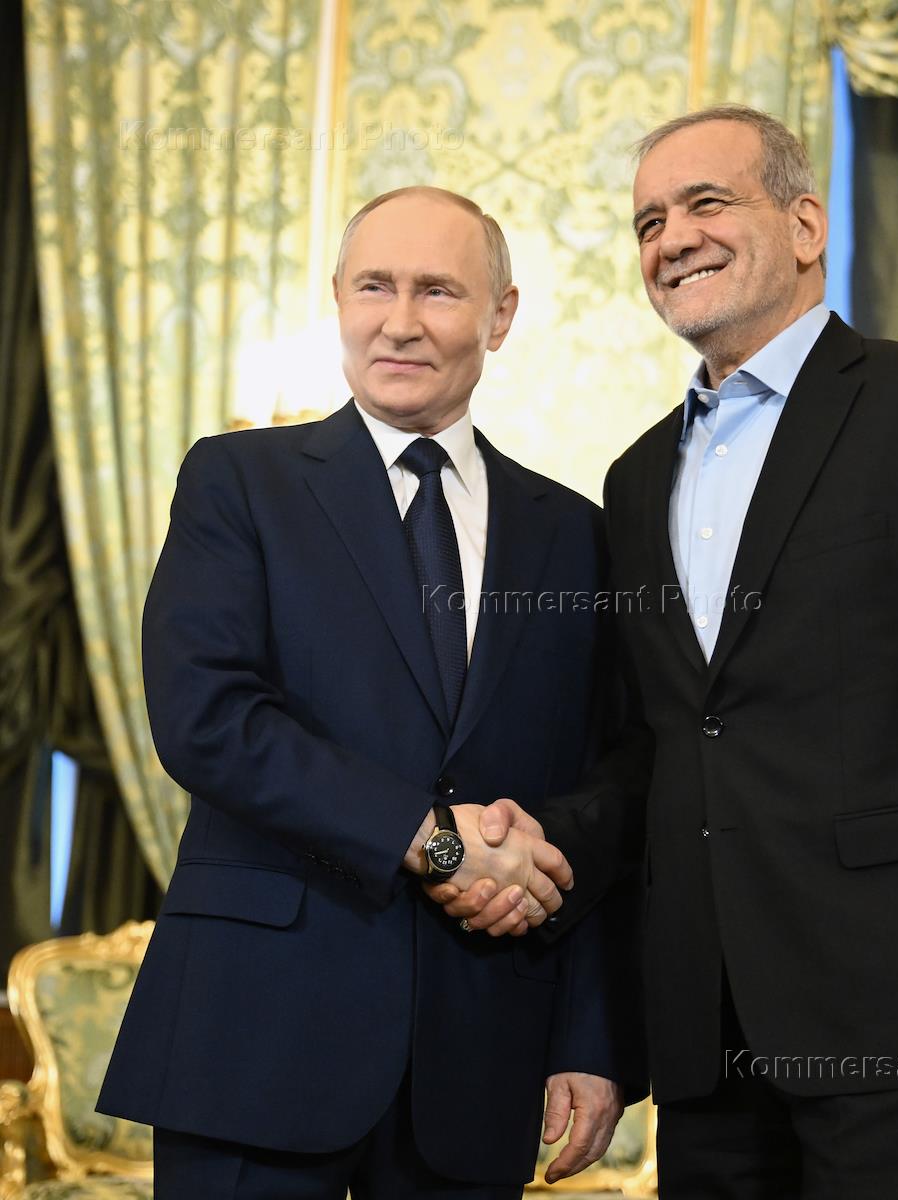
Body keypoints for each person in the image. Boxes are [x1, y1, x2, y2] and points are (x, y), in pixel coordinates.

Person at [433, 106, 898, 1199]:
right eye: (648, 222)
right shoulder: (633, 480)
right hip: (706, 1030)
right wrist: (540, 840)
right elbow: (664, 746)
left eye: (706, 203)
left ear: (806, 225)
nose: (672, 238)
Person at [97, 186, 644, 1199]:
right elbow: (207, 719)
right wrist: (435, 842)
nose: (399, 321)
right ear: (338, 300)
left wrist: (589, 1036)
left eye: (437, 291)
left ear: (501, 316)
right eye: (373, 287)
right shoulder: (237, 480)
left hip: (481, 1051)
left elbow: (609, 784)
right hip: (257, 1039)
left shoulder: (574, 533)